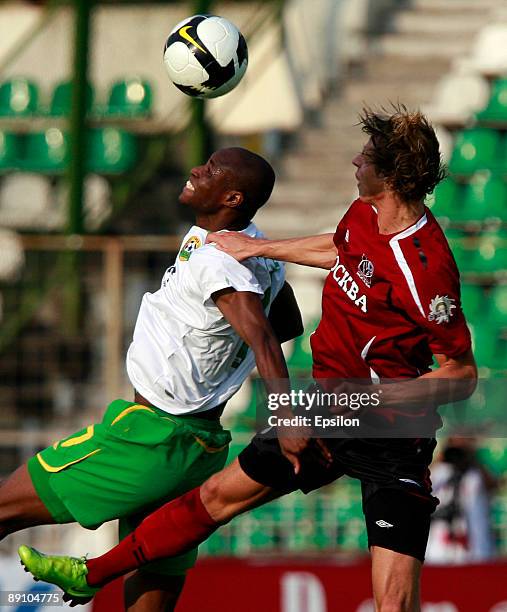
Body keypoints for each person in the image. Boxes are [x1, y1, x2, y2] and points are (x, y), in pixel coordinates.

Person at [20, 106, 478, 611]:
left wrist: (384, 395)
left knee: (393, 603)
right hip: (332, 406)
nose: (354, 161)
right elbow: (342, 250)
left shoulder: (427, 269)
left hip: (392, 432)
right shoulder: (363, 214)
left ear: (389, 176)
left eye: (365, 158)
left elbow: (461, 374)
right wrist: (256, 248)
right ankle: (92, 574)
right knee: (216, 498)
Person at [3, 147, 307, 612]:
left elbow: (267, 339)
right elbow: (287, 322)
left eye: (209, 170)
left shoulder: (219, 263)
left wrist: (286, 420)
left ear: (231, 196)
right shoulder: (251, 246)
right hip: (197, 443)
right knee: (154, 583)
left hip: (147, 438)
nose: (195, 170)